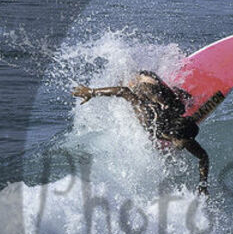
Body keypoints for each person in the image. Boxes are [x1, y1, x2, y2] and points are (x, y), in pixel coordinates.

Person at [73, 71, 210, 195]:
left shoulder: (184, 136)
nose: (188, 144)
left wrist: (203, 185)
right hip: (143, 81)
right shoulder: (148, 118)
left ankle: (173, 92)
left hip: (163, 105)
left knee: (176, 106)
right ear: (176, 136)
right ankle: (155, 84)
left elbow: (203, 156)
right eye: (186, 141)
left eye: (189, 140)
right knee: (156, 96)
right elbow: (124, 91)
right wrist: (91, 92)